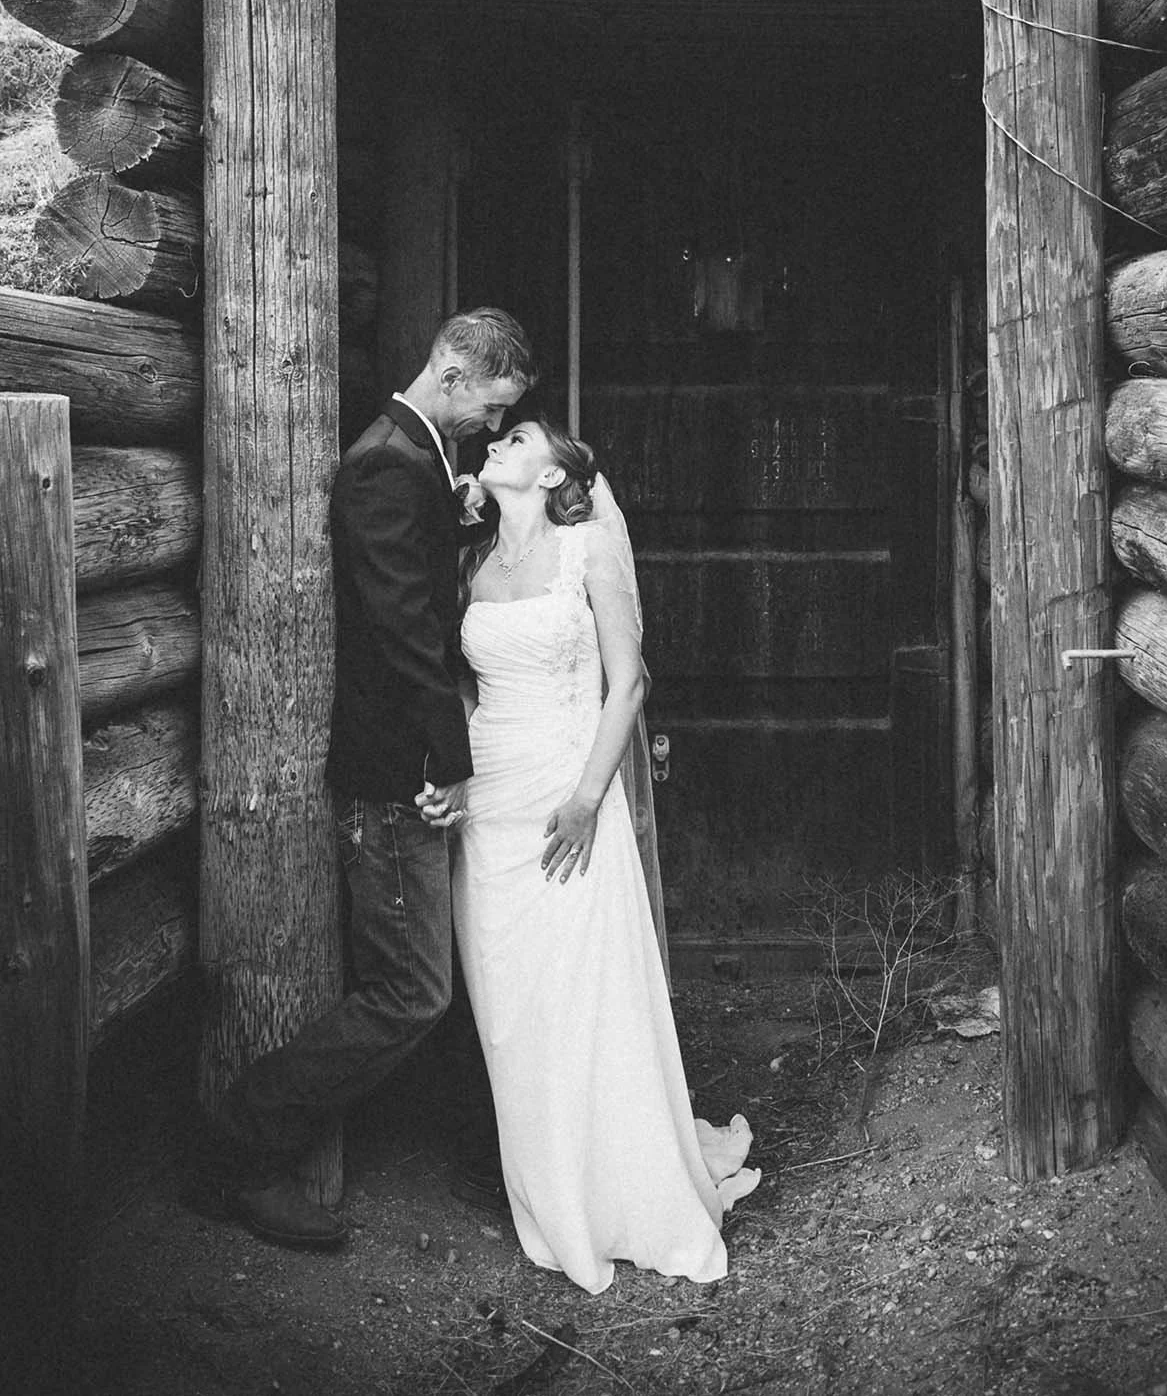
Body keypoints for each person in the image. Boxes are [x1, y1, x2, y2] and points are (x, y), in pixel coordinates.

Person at [208, 307, 537, 1249]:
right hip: (397, 770)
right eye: (493, 405)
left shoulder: (419, 454)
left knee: (417, 988)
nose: (491, 424)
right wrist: (451, 764)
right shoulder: (387, 461)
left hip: (408, 760)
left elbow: (424, 586)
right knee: (411, 994)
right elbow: (400, 632)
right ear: (455, 372)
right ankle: (239, 1148)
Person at [422, 415, 759, 1294]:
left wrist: (585, 798)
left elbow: (630, 681)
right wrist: (452, 781)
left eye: (520, 438)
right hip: (490, 803)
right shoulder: (471, 565)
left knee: (582, 996)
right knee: (511, 1007)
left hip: (569, 796)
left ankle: (621, 1191)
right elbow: (465, 685)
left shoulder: (588, 555)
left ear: (552, 476)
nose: (497, 442)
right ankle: (549, 1196)